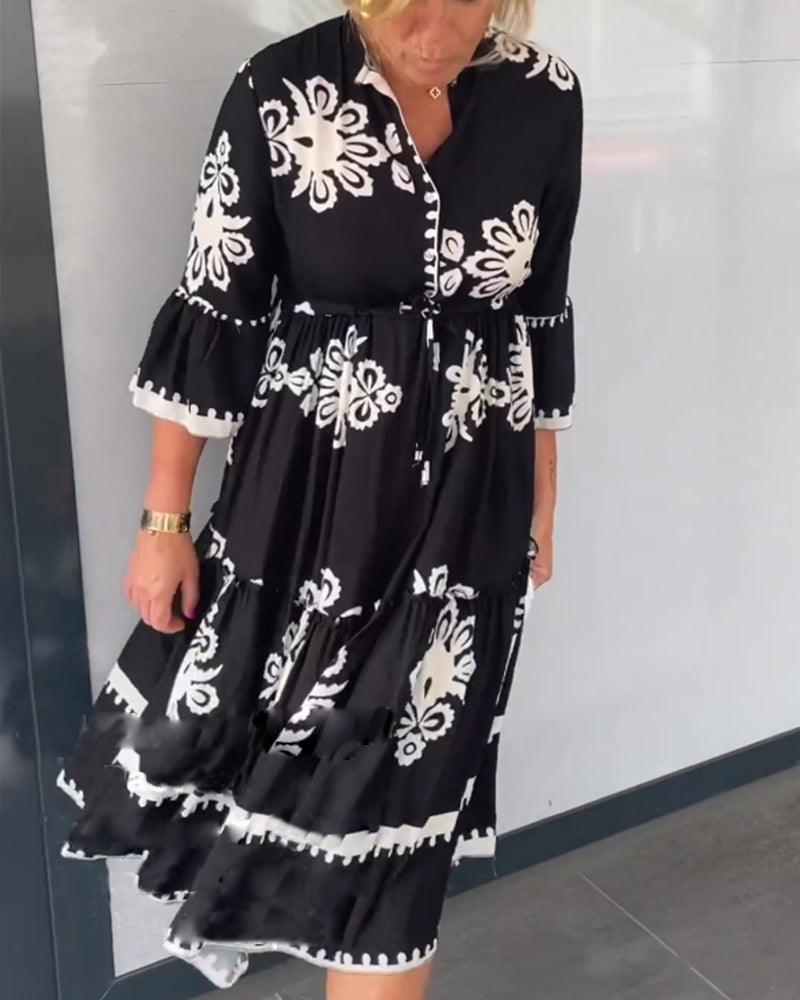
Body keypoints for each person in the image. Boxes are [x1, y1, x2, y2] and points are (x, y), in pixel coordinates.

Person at [55, 0, 583, 995]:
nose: (435, 22)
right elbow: (216, 306)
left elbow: (540, 310)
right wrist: (164, 520)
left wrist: (541, 500)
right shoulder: (278, 89)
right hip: (305, 510)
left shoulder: (545, 98)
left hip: (468, 512)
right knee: (289, 762)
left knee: (402, 794)